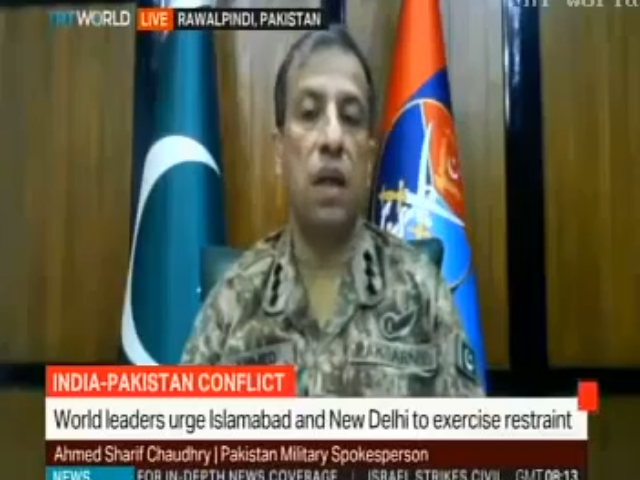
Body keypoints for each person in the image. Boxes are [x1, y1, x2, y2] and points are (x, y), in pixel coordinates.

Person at [181, 26, 485, 397]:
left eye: (351, 117)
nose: (332, 138)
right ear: (279, 152)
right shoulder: (231, 302)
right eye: (310, 114)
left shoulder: (424, 294)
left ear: (369, 160)